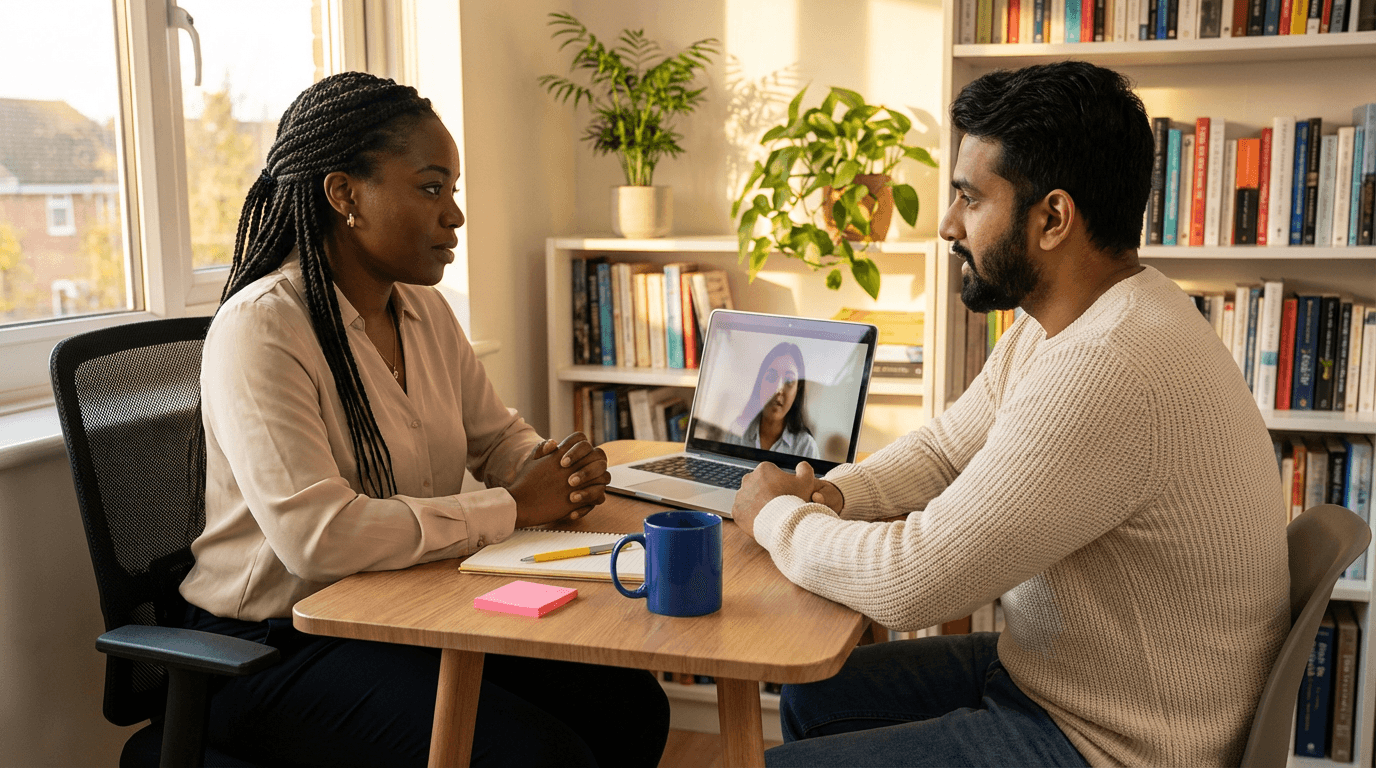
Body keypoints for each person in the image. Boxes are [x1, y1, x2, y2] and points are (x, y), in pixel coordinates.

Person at [730, 61, 1290, 767]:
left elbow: (915, 581)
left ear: (1052, 218)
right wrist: (831, 494)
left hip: (1113, 744)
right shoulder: (1073, 318)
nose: (947, 225)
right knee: (814, 696)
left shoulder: (1109, 365)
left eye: (970, 197)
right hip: (1063, 681)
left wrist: (779, 517)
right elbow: (944, 451)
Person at [177, 72, 668, 767]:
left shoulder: (425, 311)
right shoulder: (262, 329)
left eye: (454, 191)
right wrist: (514, 504)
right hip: (269, 649)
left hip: (405, 611)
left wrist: (554, 468)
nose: (455, 215)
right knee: (536, 758)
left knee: (629, 707)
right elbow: (317, 540)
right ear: (344, 194)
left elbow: (495, 437)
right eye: (432, 188)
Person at [722, 342, 819, 458]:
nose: (779, 389)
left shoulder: (806, 447)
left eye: (789, 380)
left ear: (797, 390)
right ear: (760, 383)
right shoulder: (737, 430)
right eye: (771, 377)